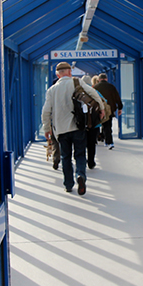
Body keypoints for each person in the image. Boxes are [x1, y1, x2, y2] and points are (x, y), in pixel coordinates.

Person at [41, 62, 105, 195]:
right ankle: (80, 175)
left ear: (58, 75)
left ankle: (68, 184)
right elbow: (93, 93)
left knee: (66, 157)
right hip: (78, 126)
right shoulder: (77, 82)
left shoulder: (51, 90)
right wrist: (101, 108)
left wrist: (47, 128)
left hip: (61, 129)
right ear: (70, 72)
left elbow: (46, 112)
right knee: (80, 154)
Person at [94, 73, 123, 149]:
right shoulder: (111, 87)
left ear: (99, 79)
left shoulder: (96, 87)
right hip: (110, 109)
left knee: (98, 125)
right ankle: (109, 142)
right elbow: (117, 97)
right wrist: (120, 107)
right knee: (108, 126)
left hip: (99, 109)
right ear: (106, 79)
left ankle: (97, 138)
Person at [81, 74, 99, 169]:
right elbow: (103, 101)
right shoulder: (94, 91)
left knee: (81, 143)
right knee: (91, 143)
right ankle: (91, 162)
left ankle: (81, 161)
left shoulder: (78, 92)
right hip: (93, 122)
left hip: (81, 122)